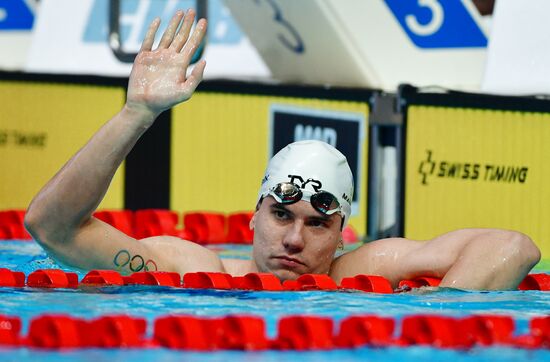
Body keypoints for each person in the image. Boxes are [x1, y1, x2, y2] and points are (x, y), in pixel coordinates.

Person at [24, 10, 540, 291]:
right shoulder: (193, 273)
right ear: (253, 214)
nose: (294, 239)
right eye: (281, 214)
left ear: (343, 232)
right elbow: (52, 227)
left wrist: (435, 310)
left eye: (318, 223)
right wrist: (135, 114)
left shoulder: (366, 272)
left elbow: (513, 247)